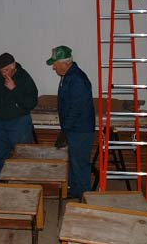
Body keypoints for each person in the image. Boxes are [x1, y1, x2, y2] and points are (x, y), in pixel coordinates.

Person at [46, 45, 95, 199]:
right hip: (75, 128)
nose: (53, 67)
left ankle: (85, 197)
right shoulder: (67, 76)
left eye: (55, 63)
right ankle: (75, 191)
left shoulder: (77, 79)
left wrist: (65, 130)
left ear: (65, 63)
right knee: (74, 163)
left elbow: (76, 109)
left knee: (80, 165)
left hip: (80, 130)